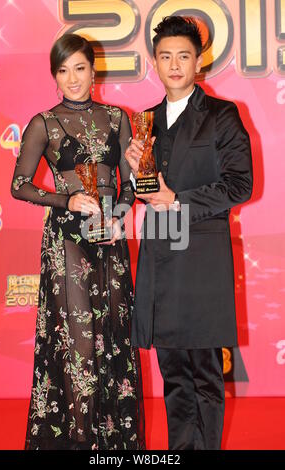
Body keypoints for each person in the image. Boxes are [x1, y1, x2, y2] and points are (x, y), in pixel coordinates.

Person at [11, 33, 145, 450]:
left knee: (115, 337)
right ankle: (78, 442)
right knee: (79, 342)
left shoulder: (118, 118)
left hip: (111, 241)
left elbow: (130, 182)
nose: (72, 78)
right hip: (66, 242)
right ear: (54, 76)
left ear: (93, 70)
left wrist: (121, 214)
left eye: (80, 68)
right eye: (63, 70)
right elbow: (19, 185)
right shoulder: (44, 123)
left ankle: (115, 447)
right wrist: (65, 199)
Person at [125, 16, 253, 450]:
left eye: (183, 56)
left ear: (199, 61)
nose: (175, 65)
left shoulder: (221, 115)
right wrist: (132, 175)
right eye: (166, 57)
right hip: (161, 260)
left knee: (204, 376)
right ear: (154, 63)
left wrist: (177, 200)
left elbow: (239, 184)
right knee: (174, 376)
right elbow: (141, 192)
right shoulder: (143, 122)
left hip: (201, 264)